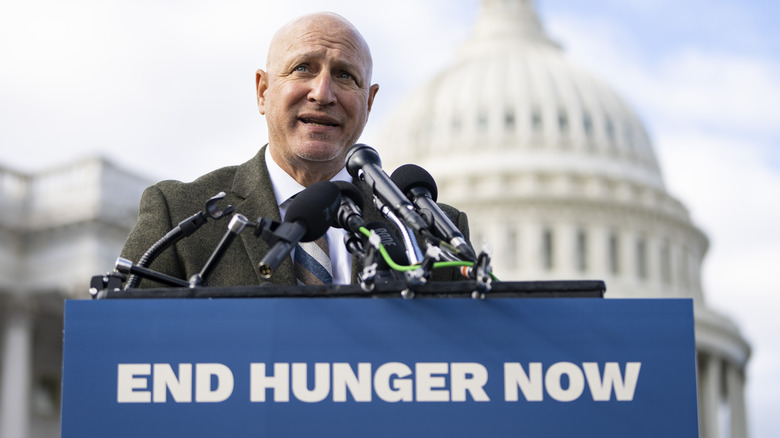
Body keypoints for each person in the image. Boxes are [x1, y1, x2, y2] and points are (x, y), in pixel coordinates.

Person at [120, 12, 470, 288]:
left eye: (345, 75)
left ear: (370, 101)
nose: (323, 93)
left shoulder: (433, 232)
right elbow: (120, 352)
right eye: (304, 68)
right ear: (263, 91)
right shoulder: (180, 216)